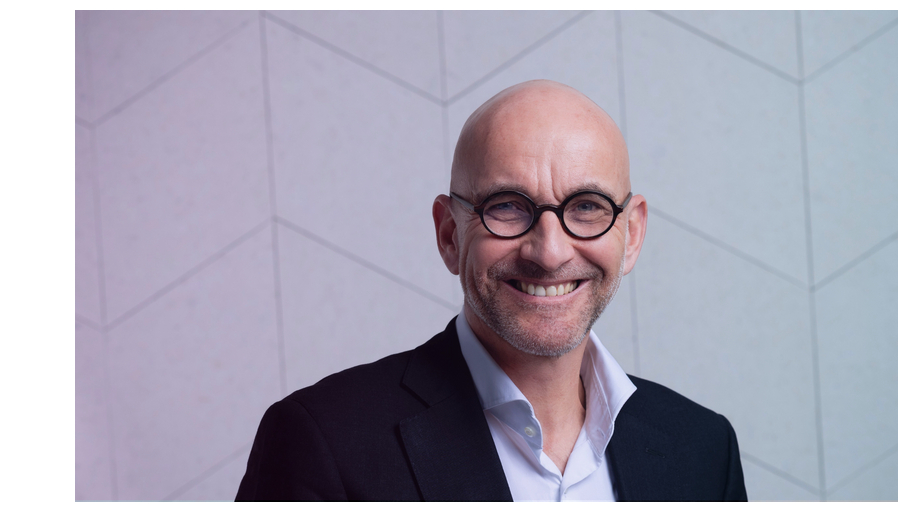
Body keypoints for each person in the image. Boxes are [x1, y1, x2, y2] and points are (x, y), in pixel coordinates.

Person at [235, 80, 747, 501]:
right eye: (507, 206)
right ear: (450, 235)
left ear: (630, 235)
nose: (549, 253)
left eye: (587, 207)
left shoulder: (703, 449)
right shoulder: (323, 442)